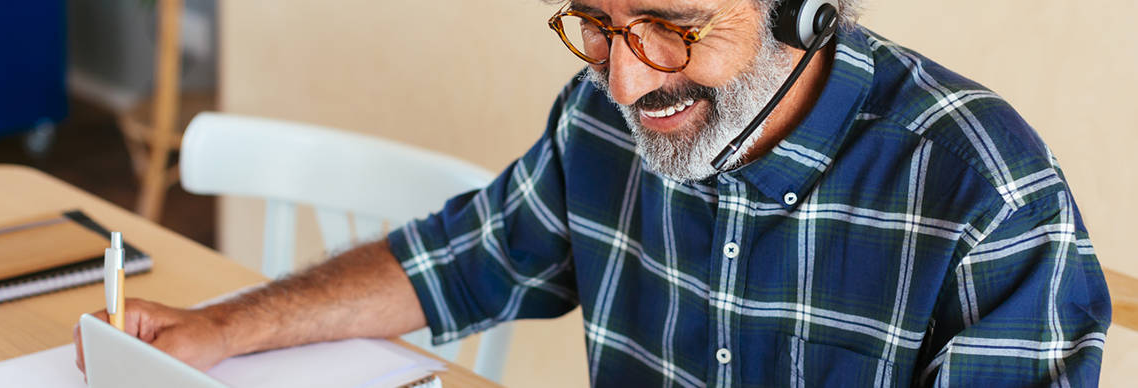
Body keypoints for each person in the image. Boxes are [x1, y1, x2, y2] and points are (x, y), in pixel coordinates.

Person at [75, 0, 1111, 386]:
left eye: (671, 24)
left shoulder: (986, 193)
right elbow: (457, 261)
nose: (624, 78)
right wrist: (222, 330)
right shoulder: (600, 120)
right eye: (596, 24)